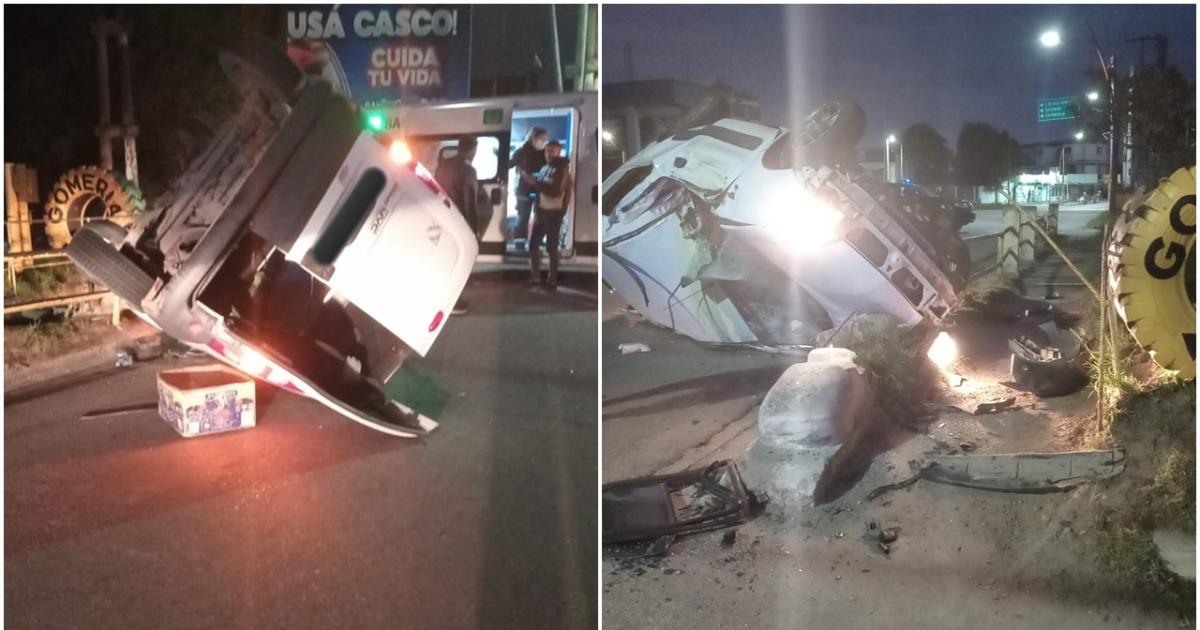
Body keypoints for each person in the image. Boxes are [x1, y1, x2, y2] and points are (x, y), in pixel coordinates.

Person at [435, 135, 483, 313]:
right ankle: (453, 302)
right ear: (472, 149)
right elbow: (470, 201)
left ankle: (445, 297)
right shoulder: (468, 170)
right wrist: (475, 230)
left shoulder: (443, 165)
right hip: (459, 222)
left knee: (445, 260)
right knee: (458, 261)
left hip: (442, 219)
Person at [527, 140, 572, 291]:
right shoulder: (545, 168)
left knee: (551, 247)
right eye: (546, 151)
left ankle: (552, 280)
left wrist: (534, 183)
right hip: (542, 212)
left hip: (553, 213)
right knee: (534, 244)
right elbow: (542, 192)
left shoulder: (561, 169)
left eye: (551, 151)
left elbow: (556, 192)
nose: (547, 154)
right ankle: (536, 277)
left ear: (558, 152)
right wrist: (536, 209)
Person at [510, 127, 548, 249]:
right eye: (541, 138)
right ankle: (519, 242)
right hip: (524, 190)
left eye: (545, 139)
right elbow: (510, 164)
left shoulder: (545, 153)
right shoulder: (521, 152)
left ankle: (537, 240)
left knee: (541, 216)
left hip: (539, 189)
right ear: (533, 138)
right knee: (523, 217)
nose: (543, 141)